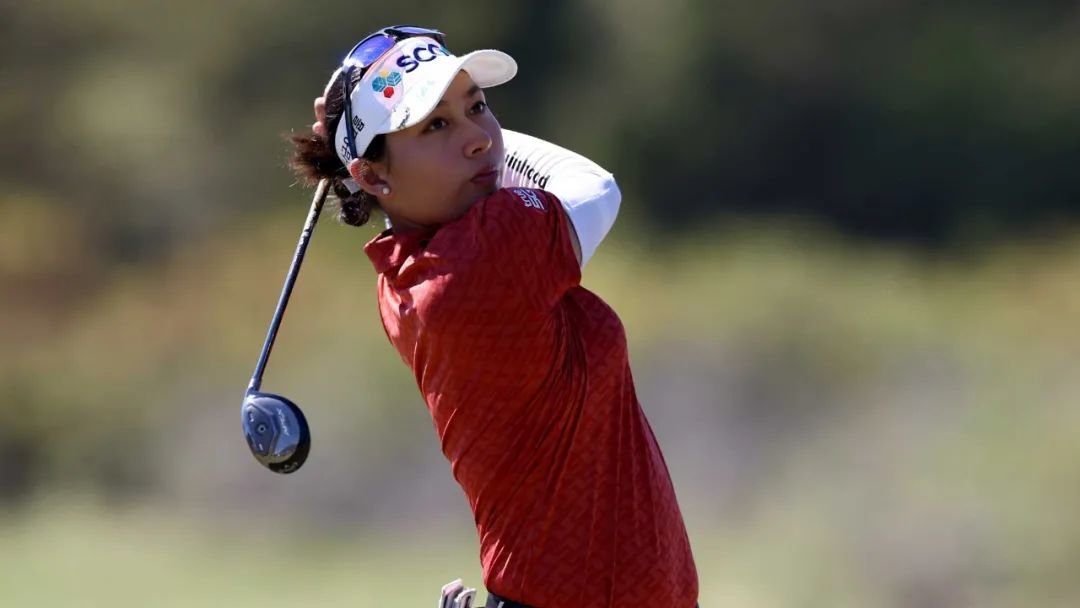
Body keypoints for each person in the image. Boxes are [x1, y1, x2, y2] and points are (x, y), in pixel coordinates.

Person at [289, 25, 699, 608]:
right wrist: (350, 148)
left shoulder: (405, 270)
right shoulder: (484, 257)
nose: (480, 139)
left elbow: (461, 171)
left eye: (477, 106)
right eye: (435, 125)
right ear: (373, 176)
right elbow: (595, 188)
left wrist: (353, 150)